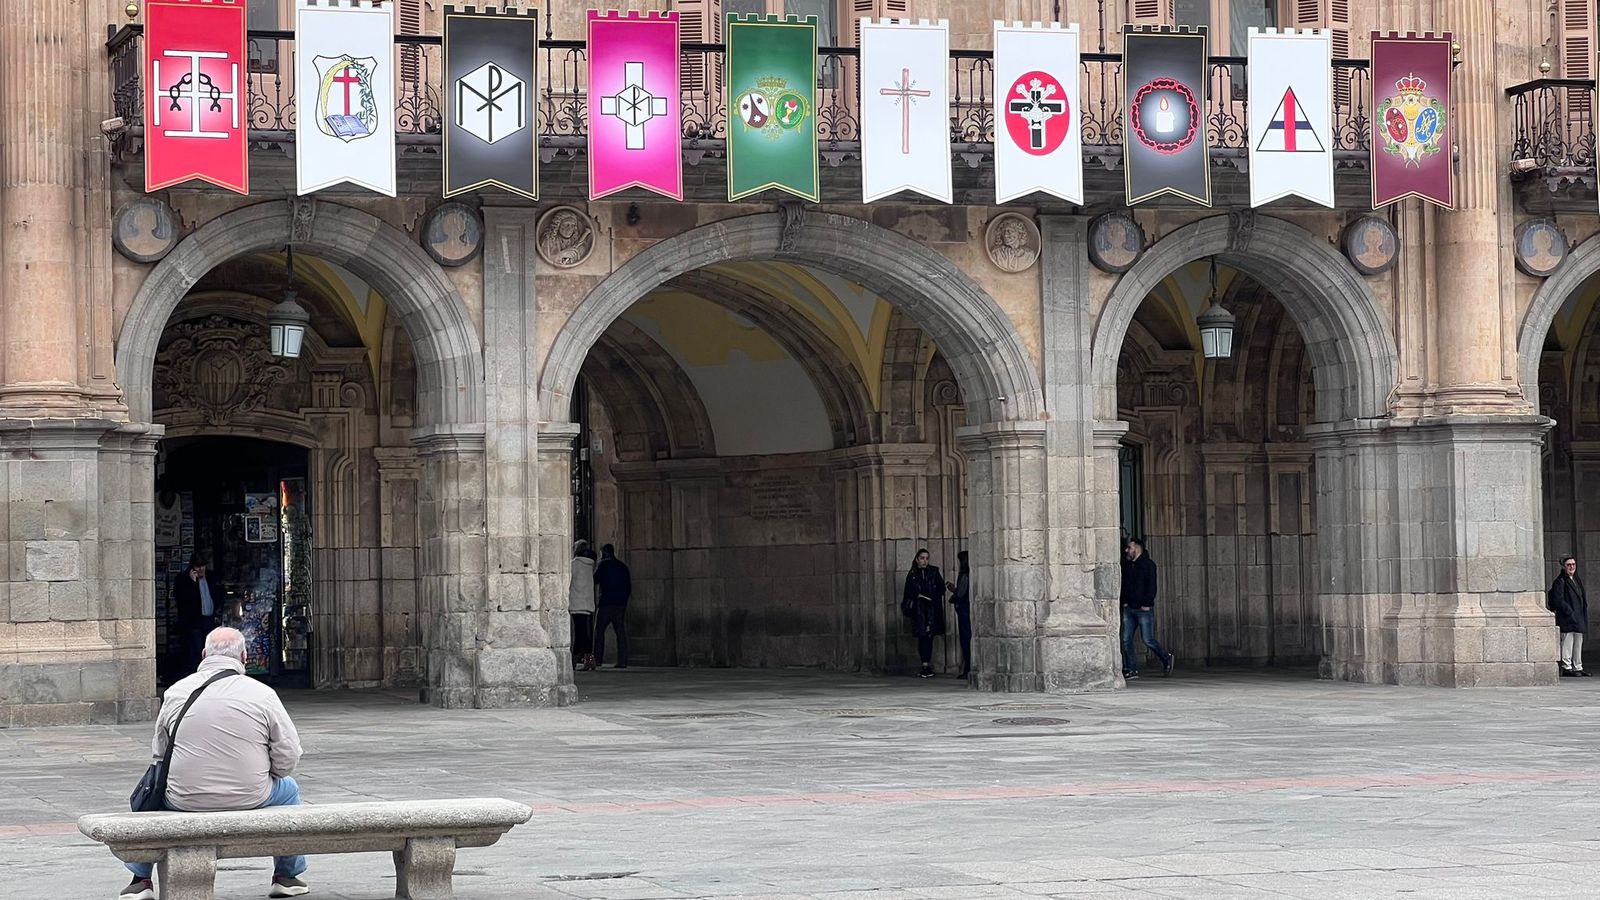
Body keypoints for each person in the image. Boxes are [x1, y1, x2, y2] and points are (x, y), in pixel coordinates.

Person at [117, 627, 307, 900]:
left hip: (184, 798)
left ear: (204, 655)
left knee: (155, 794)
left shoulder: (176, 692)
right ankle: (286, 876)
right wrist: (267, 774)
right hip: (250, 795)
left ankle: (140, 880)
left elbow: (159, 754)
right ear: (244, 656)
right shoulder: (263, 694)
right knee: (289, 789)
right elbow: (288, 756)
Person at [1120, 538, 1174, 680]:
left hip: (1144, 609)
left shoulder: (1149, 565)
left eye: (1129, 548)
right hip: (1129, 608)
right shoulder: (1127, 566)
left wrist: (1147, 603)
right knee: (1126, 639)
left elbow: (1151, 587)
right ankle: (1131, 669)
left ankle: (1166, 658)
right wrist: (1125, 602)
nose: (1127, 550)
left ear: (1137, 548)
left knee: (1148, 639)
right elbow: (1124, 585)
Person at [902, 548, 946, 679]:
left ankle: (926, 665)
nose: (924, 561)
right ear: (917, 559)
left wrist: (932, 594)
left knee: (929, 636)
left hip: (931, 609)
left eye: (927, 558)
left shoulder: (934, 572)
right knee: (922, 637)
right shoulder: (912, 574)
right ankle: (924, 665)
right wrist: (917, 596)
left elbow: (941, 588)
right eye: (922, 558)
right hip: (919, 610)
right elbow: (908, 592)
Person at [171, 557, 218, 672]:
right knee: (196, 649)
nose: (201, 569)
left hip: (210, 619)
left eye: (203, 566)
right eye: (198, 567)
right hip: (194, 621)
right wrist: (192, 583)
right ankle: (197, 672)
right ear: (192, 567)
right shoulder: (183, 579)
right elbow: (182, 600)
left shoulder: (211, 577)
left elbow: (218, 594)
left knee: (211, 648)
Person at [1549, 556, 1590, 677]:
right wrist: (1569, 611)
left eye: (1573, 564)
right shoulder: (1560, 581)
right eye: (1569, 565)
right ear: (1564, 567)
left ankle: (1578, 666)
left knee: (1578, 641)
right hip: (1568, 617)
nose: (1571, 567)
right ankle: (1567, 666)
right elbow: (1558, 600)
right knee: (1568, 641)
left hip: (1578, 616)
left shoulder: (1576, 579)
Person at [593, 544, 632, 669]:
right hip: (620, 604)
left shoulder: (603, 565)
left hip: (606, 603)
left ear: (604, 553)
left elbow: (595, 580)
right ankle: (623, 660)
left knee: (599, 631)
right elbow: (628, 586)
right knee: (620, 632)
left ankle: (597, 659)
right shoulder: (622, 566)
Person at [570, 540, 598, 671]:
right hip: (587, 602)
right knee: (585, 633)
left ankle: (574, 660)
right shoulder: (590, 565)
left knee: (579, 633)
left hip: (577, 602)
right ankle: (589, 659)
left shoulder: (574, 565)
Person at [946, 550, 972, 678]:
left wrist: (953, 593)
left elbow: (961, 594)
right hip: (966, 609)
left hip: (964, 611)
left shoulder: (965, 575)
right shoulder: (968, 574)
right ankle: (967, 668)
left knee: (966, 639)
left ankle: (968, 669)